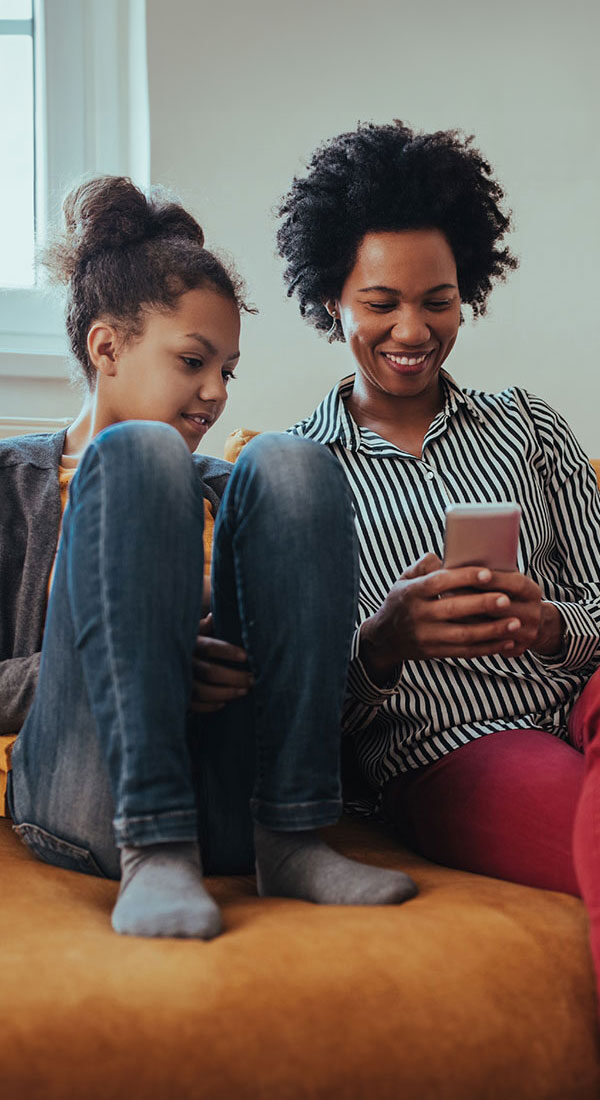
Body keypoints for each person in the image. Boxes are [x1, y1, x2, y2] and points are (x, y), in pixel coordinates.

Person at [0, 175, 417, 940]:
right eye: (193, 360)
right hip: (88, 794)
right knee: (139, 455)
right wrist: (147, 659)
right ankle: (152, 843)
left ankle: (292, 837)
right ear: (107, 346)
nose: (216, 391)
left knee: (295, 461)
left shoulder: (233, 490)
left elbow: (308, 681)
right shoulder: (11, 487)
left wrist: (378, 643)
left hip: (234, 799)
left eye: (227, 368)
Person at [276, 120, 600, 999]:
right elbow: (288, 714)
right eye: (380, 303)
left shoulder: (528, 425)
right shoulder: (293, 473)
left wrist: (550, 623)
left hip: (583, 697)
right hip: (452, 747)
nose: (412, 330)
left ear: (469, 294)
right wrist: (381, 645)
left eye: (439, 300)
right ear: (331, 301)